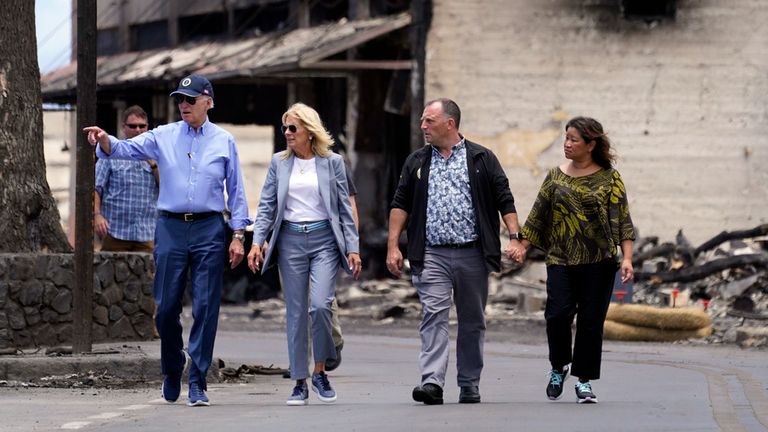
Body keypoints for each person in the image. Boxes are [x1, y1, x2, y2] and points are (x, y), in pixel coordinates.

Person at [84, 75, 252, 407]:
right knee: (165, 308)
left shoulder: (224, 141)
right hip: (171, 228)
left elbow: (236, 191)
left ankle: (198, 379)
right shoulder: (162, 135)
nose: (184, 105)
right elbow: (123, 149)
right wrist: (104, 139)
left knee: (205, 305)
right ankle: (173, 368)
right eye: (180, 100)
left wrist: (238, 236)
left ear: (209, 102)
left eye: (191, 99)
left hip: (209, 228)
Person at [386, 98, 523, 405]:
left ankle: (469, 382)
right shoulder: (418, 161)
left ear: (450, 123)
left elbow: (505, 198)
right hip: (431, 253)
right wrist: (393, 245)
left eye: (429, 121)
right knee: (433, 314)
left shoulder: (481, 158)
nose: (423, 126)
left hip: (473, 253)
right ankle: (432, 381)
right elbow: (400, 203)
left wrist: (515, 237)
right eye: (423, 121)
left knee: (472, 320)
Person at [511, 116, 635, 404]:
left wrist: (627, 258)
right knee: (557, 316)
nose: (566, 144)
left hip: (599, 262)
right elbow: (538, 215)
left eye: (573, 139)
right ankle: (559, 367)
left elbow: (622, 220)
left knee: (591, 322)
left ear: (591, 144)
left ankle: (584, 381)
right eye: (566, 138)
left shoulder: (610, 178)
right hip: (561, 259)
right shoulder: (555, 176)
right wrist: (521, 245)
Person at [247, 102, 361, 406]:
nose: (287, 133)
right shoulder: (279, 162)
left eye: (292, 128)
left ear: (309, 132)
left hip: (324, 239)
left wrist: (353, 248)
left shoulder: (332, 162)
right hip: (290, 243)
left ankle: (320, 370)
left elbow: (344, 210)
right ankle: (300, 381)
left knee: (321, 306)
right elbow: (267, 206)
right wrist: (258, 241)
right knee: (296, 314)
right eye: (285, 127)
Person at [94, 105, 159, 252]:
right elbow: (96, 188)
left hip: (147, 233)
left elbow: (167, 187)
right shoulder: (111, 153)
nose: (138, 130)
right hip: (115, 231)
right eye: (133, 126)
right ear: (124, 127)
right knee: (109, 274)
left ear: (147, 127)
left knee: (147, 274)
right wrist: (97, 216)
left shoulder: (157, 154)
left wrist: (154, 165)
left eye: (142, 126)